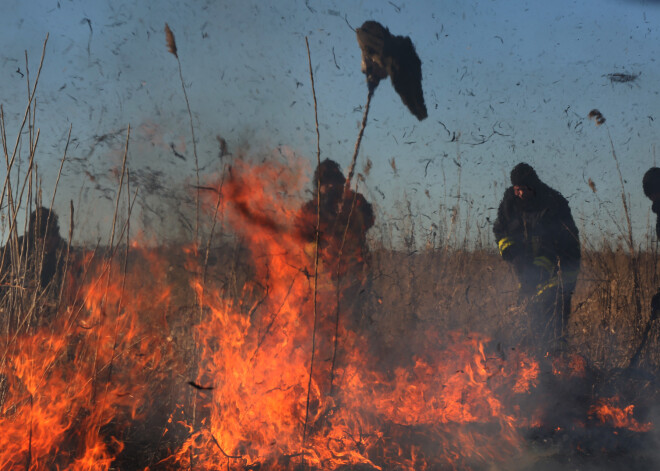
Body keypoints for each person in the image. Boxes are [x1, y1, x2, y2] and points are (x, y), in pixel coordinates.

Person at [493, 163, 581, 352]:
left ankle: (558, 361)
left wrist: (542, 268)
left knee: (554, 311)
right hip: (529, 266)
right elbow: (500, 229)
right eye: (518, 190)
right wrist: (512, 254)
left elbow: (558, 242)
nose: (521, 194)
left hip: (561, 267)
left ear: (533, 186)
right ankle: (530, 357)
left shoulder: (553, 202)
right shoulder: (510, 202)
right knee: (527, 309)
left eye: (524, 189)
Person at [1, 206, 69, 319]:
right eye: (43, 237)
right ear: (36, 237)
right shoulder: (20, 246)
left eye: (52, 235)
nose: (49, 241)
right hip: (20, 311)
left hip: (53, 313)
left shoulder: (64, 252)